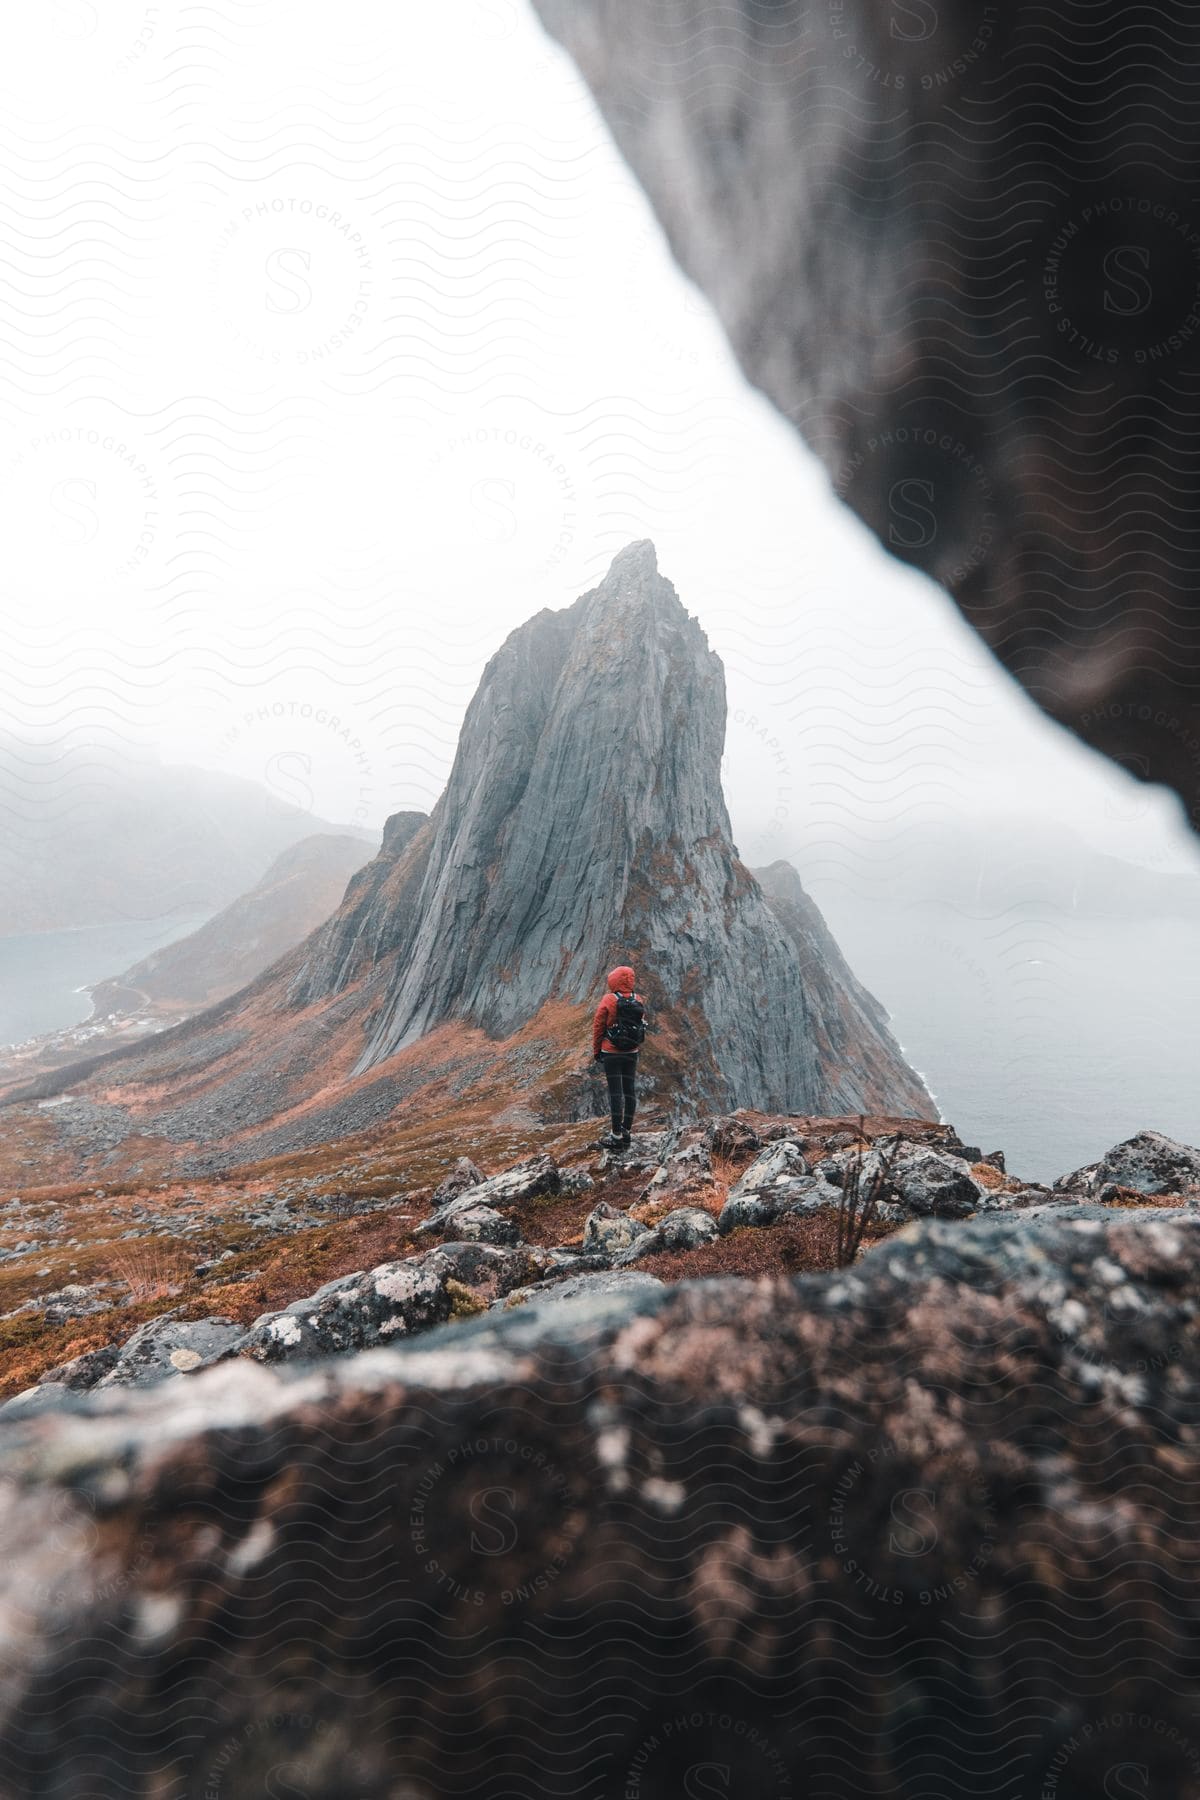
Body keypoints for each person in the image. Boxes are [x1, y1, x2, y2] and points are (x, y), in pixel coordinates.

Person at [592, 963, 647, 1150]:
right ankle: (626, 1132)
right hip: (631, 1052)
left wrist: (597, 1050)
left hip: (612, 1053)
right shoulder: (638, 998)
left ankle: (615, 1136)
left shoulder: (608, 1000)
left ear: (613, 980)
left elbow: (598, 1026)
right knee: (629, 1091)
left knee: (615, 1093)